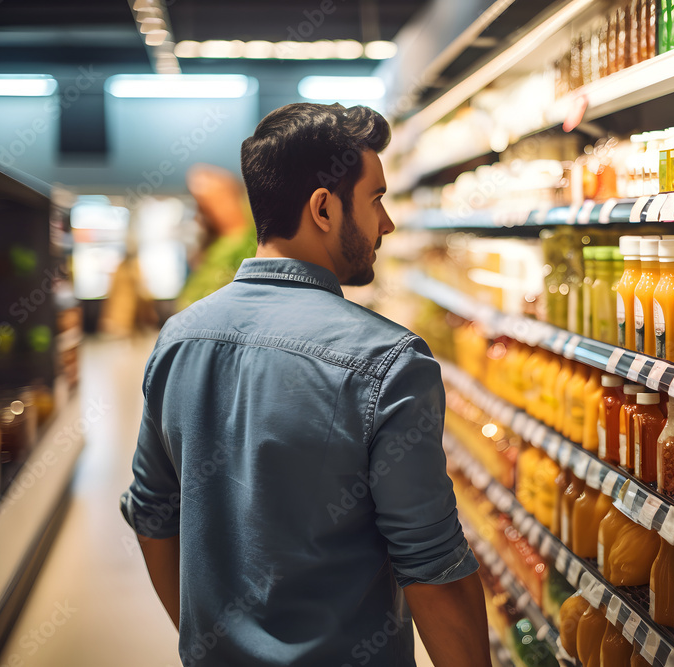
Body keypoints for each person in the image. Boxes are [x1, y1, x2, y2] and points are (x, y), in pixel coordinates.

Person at [119, 102, 491, 667]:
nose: (386, 223)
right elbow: (433, 566)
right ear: (323, 208)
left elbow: (151, 512)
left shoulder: (178, 339)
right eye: (376, 200)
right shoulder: (389, 362)